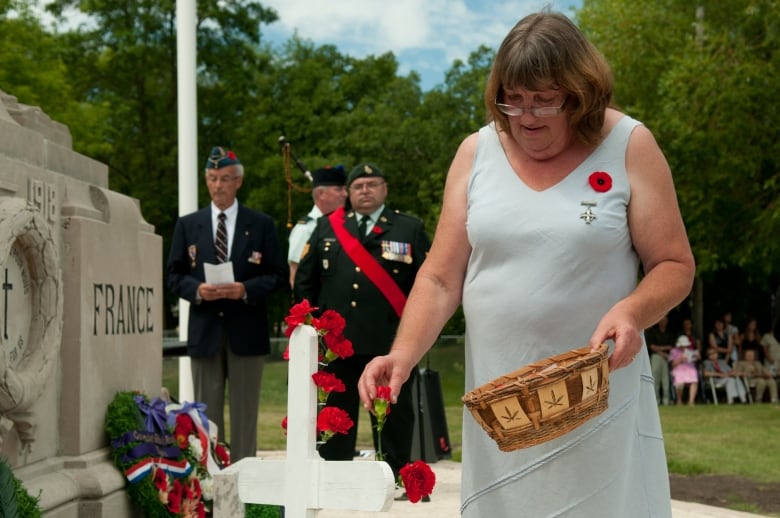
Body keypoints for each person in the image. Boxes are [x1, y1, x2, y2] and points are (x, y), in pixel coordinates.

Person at [357, 11, 695, 517]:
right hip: (503, 408)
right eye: (511, 100)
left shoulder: (629, 145)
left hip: (599, 400)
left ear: (580, 93)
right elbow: (441, 276)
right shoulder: (476, 152)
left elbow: (673, 263)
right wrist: (402, 355)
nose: (526, 116)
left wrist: (631, 312)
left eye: (543, 100)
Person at [294, 162, 431, 479]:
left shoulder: (407, 228)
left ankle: (395, 475)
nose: (365, 190)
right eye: (358, 186)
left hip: (388, 342)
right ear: (348, 192)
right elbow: (305, 283)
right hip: (337, 347)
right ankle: (334, 475)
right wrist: (311, 334)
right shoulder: (327, 227)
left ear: (384, 189)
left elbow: (425, 287)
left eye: (372, 184)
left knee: (392, 413)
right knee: (336, 413)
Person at [166, 146, 286, 461]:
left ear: (238, 182)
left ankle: (246, 479)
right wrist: (197, 290)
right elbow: (173, 275)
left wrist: (244, 289)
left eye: (225, 179)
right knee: (206, 415)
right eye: (212, 178)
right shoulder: (188, 225)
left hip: (247, 331)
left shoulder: (260, 224)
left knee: (246, 414)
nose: (218, 185)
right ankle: (212, 478)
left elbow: (277, 275)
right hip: (205, 331)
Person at [287, 165, 347, 287]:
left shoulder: (348, 223)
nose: (345, 194)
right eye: (338, 189)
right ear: (321, 194)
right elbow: (296, 278)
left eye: (345, 189)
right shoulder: (306, 229)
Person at [645, 313, 676, 405]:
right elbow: (652, 347)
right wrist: (662, 351)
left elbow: (671, 347)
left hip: (666, 358)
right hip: (656, 357)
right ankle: (656, 401)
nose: (663, 322)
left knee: (665, 380)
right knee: (655, 379)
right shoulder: (653, 332)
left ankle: (666, 401)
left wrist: (661, 349)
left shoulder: (669, 333)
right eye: (661, 320)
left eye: (665, 320)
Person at [669, 335, 700, 405]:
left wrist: (697, 356)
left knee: (694, 377)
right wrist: (681, 359)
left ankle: (691, 401)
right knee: (679, 382)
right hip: (678, 369)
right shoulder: (673, 351)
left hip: (690, 368)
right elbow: (672, 364)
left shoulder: (690, 351)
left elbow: (695, 360)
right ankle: (679, 400)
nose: (684, 347)